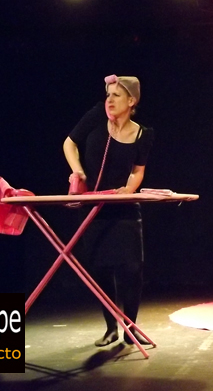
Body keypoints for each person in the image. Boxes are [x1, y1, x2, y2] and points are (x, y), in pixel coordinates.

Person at [63, 74, 154, 346]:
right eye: (108, 95)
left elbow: (138, 171)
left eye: (116, 95)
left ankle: (131, 327)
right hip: (94, 206)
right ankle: (111, 327)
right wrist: (78, 171)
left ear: (131, 101)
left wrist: (129, 189)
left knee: (132, 267)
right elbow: (69, 143)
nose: (109, 100)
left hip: (124, 208)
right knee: (100, 267)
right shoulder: (95, 117)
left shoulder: (143, 134)